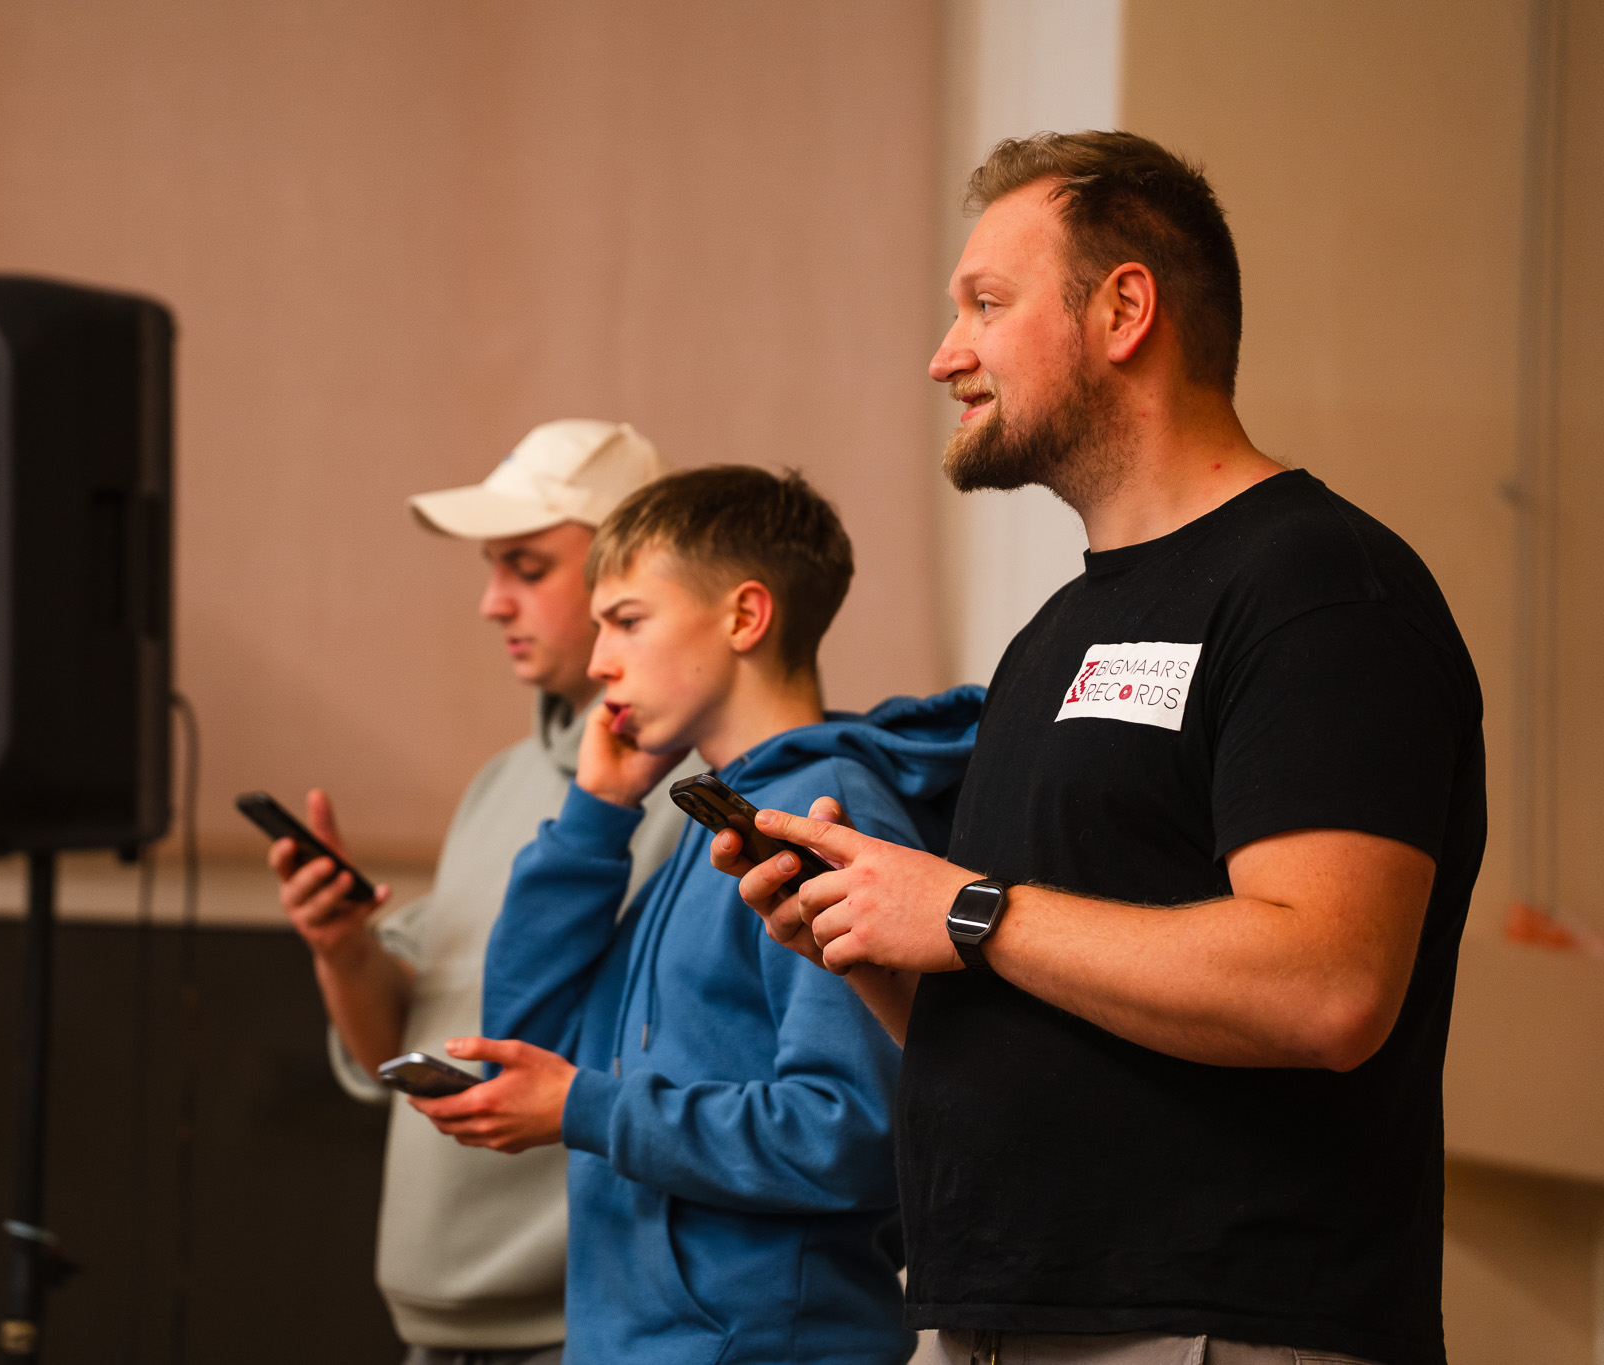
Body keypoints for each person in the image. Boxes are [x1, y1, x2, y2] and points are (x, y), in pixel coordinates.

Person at [721, 132, 1485, 1365]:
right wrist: (867, 936)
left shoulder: (1320, 591)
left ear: (1123, 310)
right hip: (998, 1319)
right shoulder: (1054, 634)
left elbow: (1326, 987)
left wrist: (965, 909)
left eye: (985, 304)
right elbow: (1033, 1015)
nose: (944, 355)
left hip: (1213, 1327)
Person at [407, 466, 984, 1365]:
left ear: (745, 616)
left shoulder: (821, 816)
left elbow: (853, 1131)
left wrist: (589, 1108)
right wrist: (595, 814)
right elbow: (524, 1042)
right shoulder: (709, 824)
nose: (598, 662)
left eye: (627, 620)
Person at [268, 419, 697, 1365]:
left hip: (584, 1329)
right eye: (491, 567)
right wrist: (343, 946)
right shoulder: (500, 782)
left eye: (527, 567)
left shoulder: (697, 799)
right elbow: (401, 1045)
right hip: (436, 1333)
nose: (492, 602)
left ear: (632, 575)